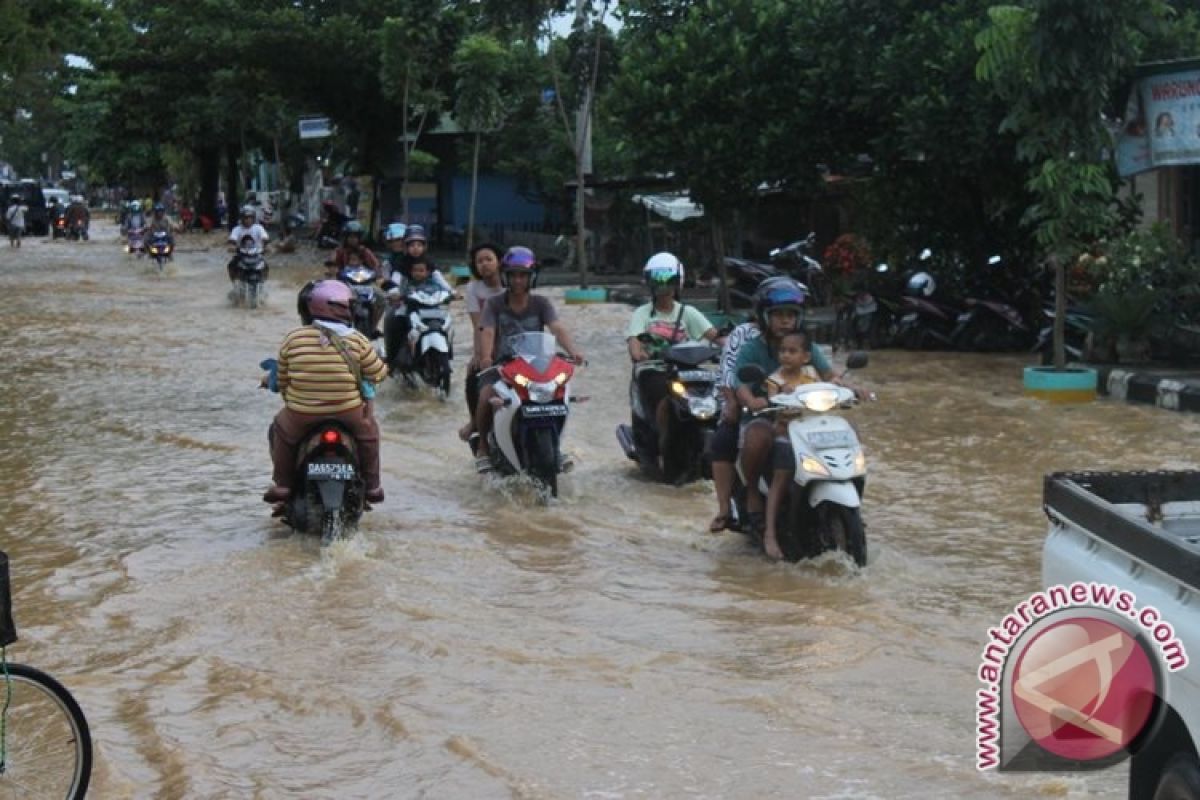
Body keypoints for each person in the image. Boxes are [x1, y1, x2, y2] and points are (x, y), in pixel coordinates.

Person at [731, 278, 863, 559]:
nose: (785, 321)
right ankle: (756, 499)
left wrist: (852, 389)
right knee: (759, 439)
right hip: (770, 418)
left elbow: (830, 376)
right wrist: (751, 400)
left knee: (851, 432)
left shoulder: (807, 348)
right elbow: (738, 380)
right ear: (766, 317)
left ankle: (852, 510)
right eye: (779, 315)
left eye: (791, 315)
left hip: (809, 420)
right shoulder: (753, 349)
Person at [264, 280, 387, 505]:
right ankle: (372, 487)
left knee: (282, 432)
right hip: (348, 411)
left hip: (302, 413)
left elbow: (282, 379)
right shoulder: (358, 339)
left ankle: (283, 485)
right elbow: (378, 373)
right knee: (369, 435)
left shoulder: (293, 338)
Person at [472, 246, 585, 472]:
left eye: (523, 275)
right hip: (503, 367)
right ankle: (483, 447)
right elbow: (488, 331)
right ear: (506, 276)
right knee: (486, 395)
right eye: (513, 275)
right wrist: (486, 357)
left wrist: (574, 351)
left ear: (531, 277)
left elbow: (556, 328)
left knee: (558, 397)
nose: (518, 280)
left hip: (536, 367)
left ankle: (555, 448)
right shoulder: (495, 304)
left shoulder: (541, 303)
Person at [625, 252, 722, 463]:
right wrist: (638, 353)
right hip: (656, 370)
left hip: (688, 372)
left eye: (668, 282)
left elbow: (716, 337)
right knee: (663, 398)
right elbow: (634, 340)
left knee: (716, 394)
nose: (663, 288)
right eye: (657, 283)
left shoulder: (688, 312)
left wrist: (734, 346)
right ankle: (663, 442)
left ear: (677, 283)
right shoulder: (642, 313)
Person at [762, 330, 820, 556]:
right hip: (785, 433)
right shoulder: (775, 380)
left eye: (792, 351)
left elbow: (824, 392)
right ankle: (770, 533)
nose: (786, 355)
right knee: (782, 472)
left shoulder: (812, 373)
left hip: (811, 432)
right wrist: (782, 394)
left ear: (805, 356)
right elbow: (773, 402)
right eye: (783, 351)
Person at [458, 243, 506, 444]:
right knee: (473, 374)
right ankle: (474, 423)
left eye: (489, 259)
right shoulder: (473, 289)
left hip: (513, 341)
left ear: (500, 262)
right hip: (488, 341)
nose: (485, 264)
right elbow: (478, 325)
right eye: (480, 261)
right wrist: (480, 354)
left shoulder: (513, 284)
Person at [227, 206, 269, 282]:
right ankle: (235, 281)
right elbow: (233, 239)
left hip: (256, 254)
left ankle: (263, 280)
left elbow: (264, 237)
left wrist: (265, 246)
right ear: (242, 218)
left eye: (250, 217)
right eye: (245, 217)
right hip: (241, 254)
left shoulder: (258, 228)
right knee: (231, 264)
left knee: (265, 264)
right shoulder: (237, 229)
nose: (248, 220)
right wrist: (232, 246)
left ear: (253, 218)